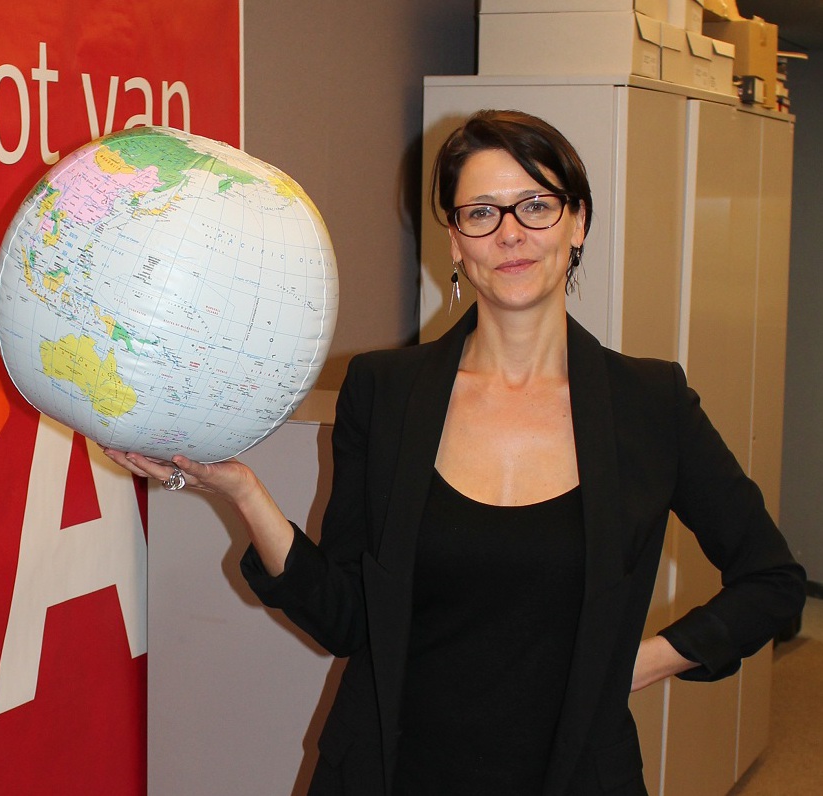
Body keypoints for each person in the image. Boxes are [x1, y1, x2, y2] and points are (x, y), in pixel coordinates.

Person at [105, 109, 806, 795]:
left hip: (573, 772)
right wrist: (244, 491)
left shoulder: (649, 404)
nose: (510, 233)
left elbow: (770, 582)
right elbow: (346, 620)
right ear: (455, 241)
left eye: (536, 205)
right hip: (395, 769)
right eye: (481, 213)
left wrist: (636, 662)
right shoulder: (386, 392)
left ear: (578, 223)